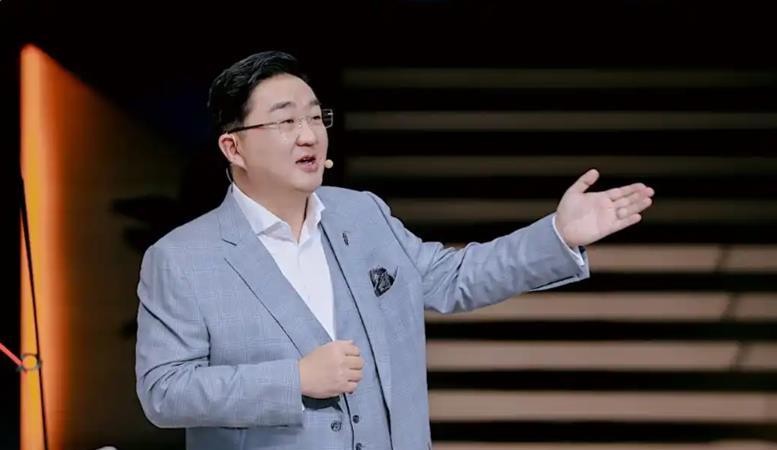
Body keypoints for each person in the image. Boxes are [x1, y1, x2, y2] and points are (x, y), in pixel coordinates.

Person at [135, 50, 655, 450]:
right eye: (285, 121)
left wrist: (558, 234)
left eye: (315, 118)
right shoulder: (181, 258)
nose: (308, 135)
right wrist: (293, 379)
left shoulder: (362, 214)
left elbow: (452, 278)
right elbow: (164, 392)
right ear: (234, 147)